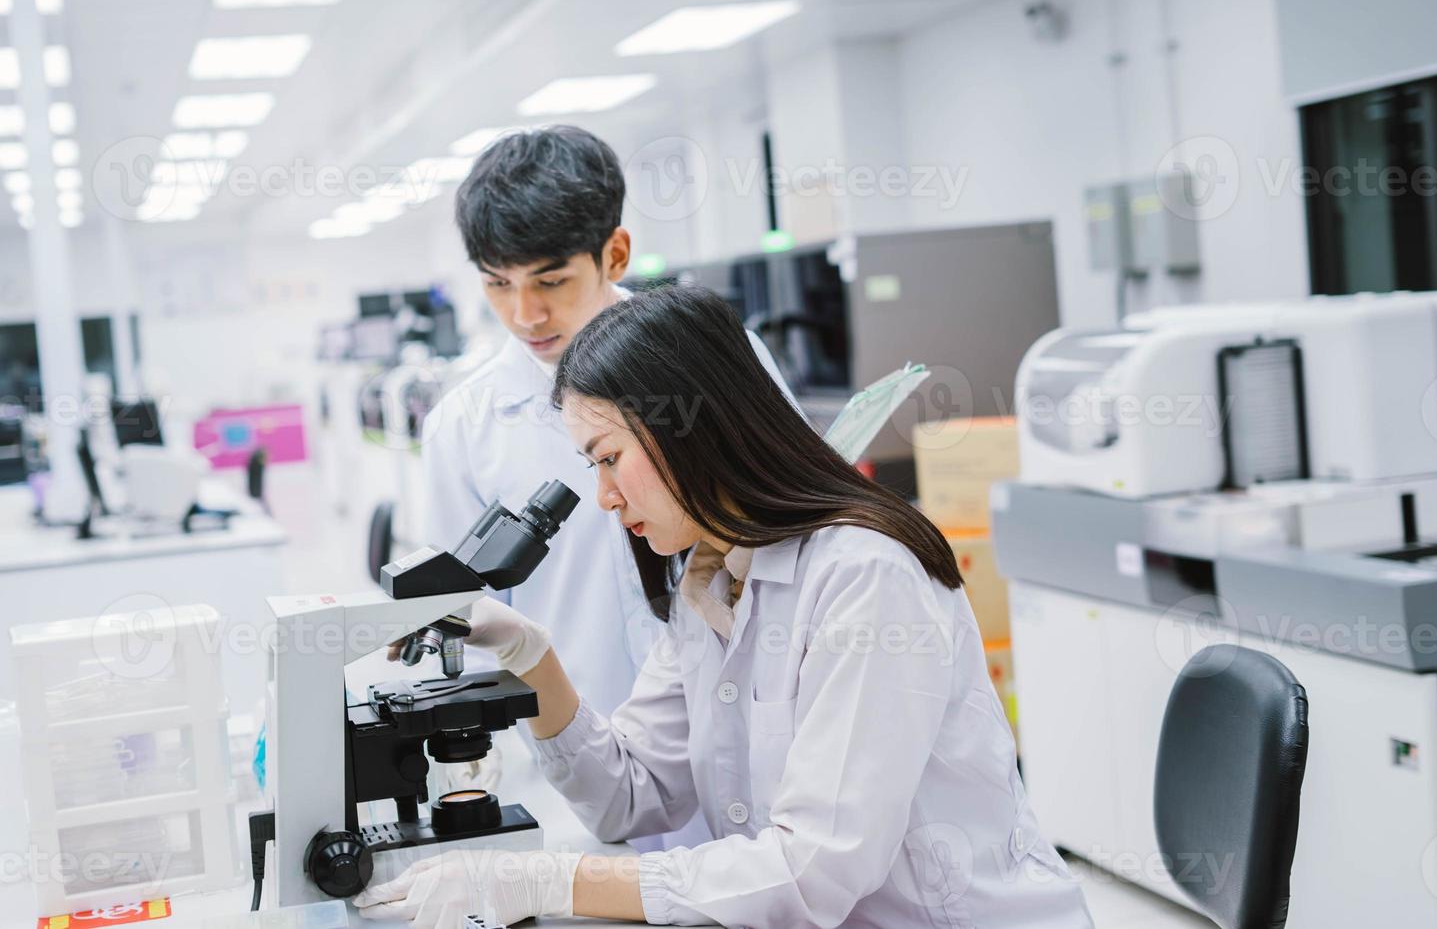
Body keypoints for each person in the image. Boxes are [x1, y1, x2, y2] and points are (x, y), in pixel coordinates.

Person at [358, 287, 1094, 928]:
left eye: (609, 458)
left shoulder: (865, 575)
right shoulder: (708, 578)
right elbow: (631, 797)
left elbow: (813, 870)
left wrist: (552, 880)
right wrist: (532, 658)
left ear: (689, 428)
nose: (604, 497)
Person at [421, 125, 792, 718]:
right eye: (498, 284)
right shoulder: (463, 426)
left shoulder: (721, 359)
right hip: (583, 745)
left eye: (551, 279)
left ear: (614, 253)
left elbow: (793, 523)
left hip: (755, 713)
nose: (525, 314)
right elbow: (464, 612)